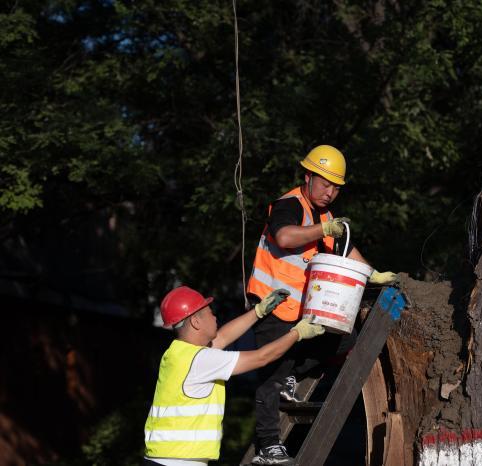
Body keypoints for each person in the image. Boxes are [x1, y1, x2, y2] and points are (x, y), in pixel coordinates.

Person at [246, 145, 397, 465]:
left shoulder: (327, 217)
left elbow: (350, 253)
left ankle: (293, 373)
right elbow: (285, 238)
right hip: (272, 305)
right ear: (308, 177)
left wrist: (375, 275)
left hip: (301, 311)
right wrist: (325, 229)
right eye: (325, 183)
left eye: (336, 187)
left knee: (345, 339)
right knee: (270, 374)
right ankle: (267, 446)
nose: (330, 192)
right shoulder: (289, 205)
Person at [143, 285, 324, 466]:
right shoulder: (201, 360)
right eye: (209, 313)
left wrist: (258, 311)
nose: (215, 317)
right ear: (196, 322)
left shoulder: (177, 353)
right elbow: (262, 357)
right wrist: (297, 333)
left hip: (165, 458)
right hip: (178, 461)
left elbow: (221, 338)